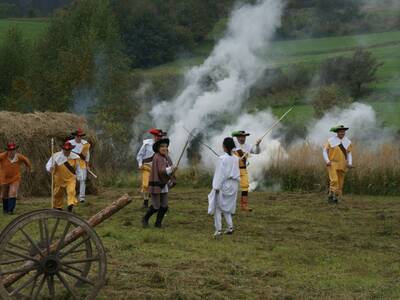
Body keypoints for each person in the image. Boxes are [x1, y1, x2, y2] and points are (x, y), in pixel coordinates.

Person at [208, 137, 240, 237]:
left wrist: (216, 187)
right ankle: (230, 227)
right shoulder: (236, 158)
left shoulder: (222, 159)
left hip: (224, 185)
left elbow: (220, 174)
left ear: (225, 147)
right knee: (227, 207)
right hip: (234, 185)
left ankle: (218, 230)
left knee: (218, 208)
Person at [142, 138, 176, 228]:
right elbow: (161, 171)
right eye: (162, 146)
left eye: (166, 146)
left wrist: (172, 170)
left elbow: (169, 169)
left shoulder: (167, 157)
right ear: (158, 148)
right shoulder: (157, 157)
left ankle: (158, 223)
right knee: (156, 206)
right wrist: (171, 169)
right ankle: (145, 219)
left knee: (164, 206)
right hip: (156, 184)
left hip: (164, 184)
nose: (164, 148)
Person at [46, 141, 81, 212]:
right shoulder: (55, 156)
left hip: (70, 179)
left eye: (69, 150)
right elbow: (48, 164)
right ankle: (58, 208)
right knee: (57, 194)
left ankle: (70, 206)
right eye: (66, 150)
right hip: (59, 178)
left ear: (71, 150)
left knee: (71, 191)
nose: (67, 151)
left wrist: (79, 176)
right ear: (63, 149)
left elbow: (78, 168)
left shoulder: (76, 157)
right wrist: (50, 168)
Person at [231, 130, 261, 212]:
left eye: (243, 137)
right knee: (231, 188)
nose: (242, 138)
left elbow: (256, 152)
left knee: (245, 186)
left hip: (243, 169)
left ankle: (244, 205)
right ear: (237, 137)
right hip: (233, 169)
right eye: (240, 137)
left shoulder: (249, 146)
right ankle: (228, 206)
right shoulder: (233, 145)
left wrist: (258, 145)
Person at [323, 125, 353, 203]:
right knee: (334, 181)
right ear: (337, 132)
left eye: (343, 131)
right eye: (340, 131)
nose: (342, 133)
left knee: (340, 182)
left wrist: (350, 163)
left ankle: (335, 198)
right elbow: (324, 151)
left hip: (343, 164)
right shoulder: (330, 140)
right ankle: (331, 196)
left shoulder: (347, 142)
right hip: (332, 163)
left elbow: (349, 153)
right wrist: (327, 161)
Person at [136, 128, 166, 209]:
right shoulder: (147, 144)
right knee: (146, 185)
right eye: (157, 136)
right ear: (154, 136)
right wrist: (140, 164)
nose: (158, 138)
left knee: (158, 186)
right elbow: (140, 155)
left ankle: (159, 204)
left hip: (158, 168)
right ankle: (145, 202)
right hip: (147, 167)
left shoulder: (163, 145)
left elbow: (165, 157)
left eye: (160, 136)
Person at [0, 143, 31, 214]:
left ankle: (10, 210)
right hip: (4, 179)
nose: (12, 152)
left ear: (15, 150)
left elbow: (26, 160)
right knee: (4, 194)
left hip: (15, 178)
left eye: (13, 150)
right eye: (10, 150)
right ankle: (5, 209)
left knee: (13, 192)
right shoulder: (2, 156)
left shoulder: (19, 157)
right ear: (7, 151)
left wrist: (28, 167)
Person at [69, 128, 91, 203]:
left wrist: (87, 165)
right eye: (78, 136)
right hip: (72, 163)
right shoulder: (69, 143)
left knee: (82, 179)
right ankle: (71, 196)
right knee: (71, 179)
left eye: (80, 136)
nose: (79, 137)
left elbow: (87, 155)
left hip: (81, 163)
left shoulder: (85, 144)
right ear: (75, 136)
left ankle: (81, 197)